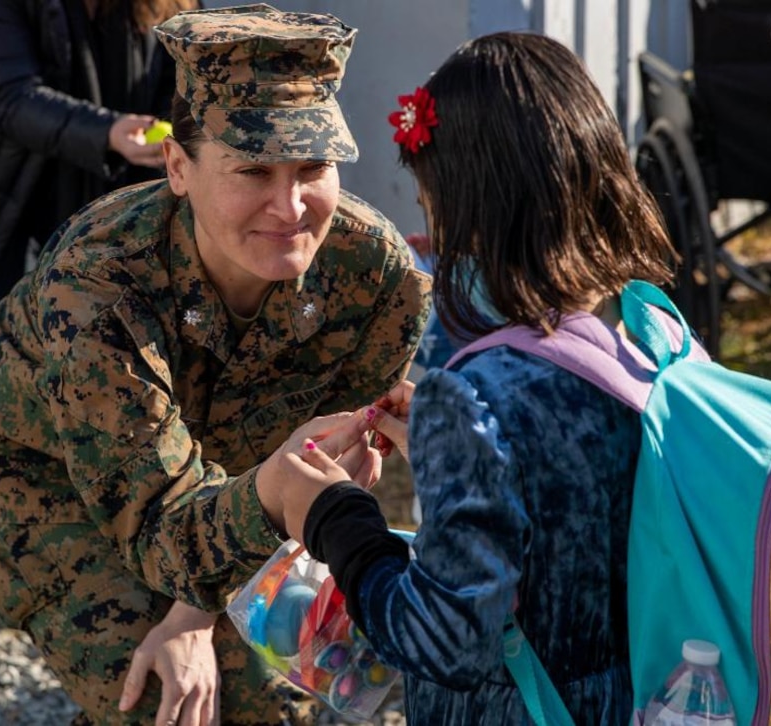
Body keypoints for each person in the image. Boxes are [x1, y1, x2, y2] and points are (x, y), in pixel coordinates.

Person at [0, 4, 431, 724]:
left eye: (313, 167)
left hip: (215, 475)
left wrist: (200, 607)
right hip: (36, 460)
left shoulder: (379, 279)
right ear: (178, 168)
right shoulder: (99, 286)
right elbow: (161, 523)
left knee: (282, 708)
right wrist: (189, 615)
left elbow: (305, 470)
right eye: (252, 169)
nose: (289, 207)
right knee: (165, 698)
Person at [269, 31, 676, 725]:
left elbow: (443, 641)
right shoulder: (648, 329)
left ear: (476, 210)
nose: (432, 243)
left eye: (435, 215)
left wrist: (337, 523)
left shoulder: (477, 396)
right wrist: (454, 455)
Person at [0, 0, 199, 384]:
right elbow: (3, 96)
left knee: (87, 355)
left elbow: (180, 77)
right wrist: (107, 132)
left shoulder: (169, 4)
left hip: (81, 186)